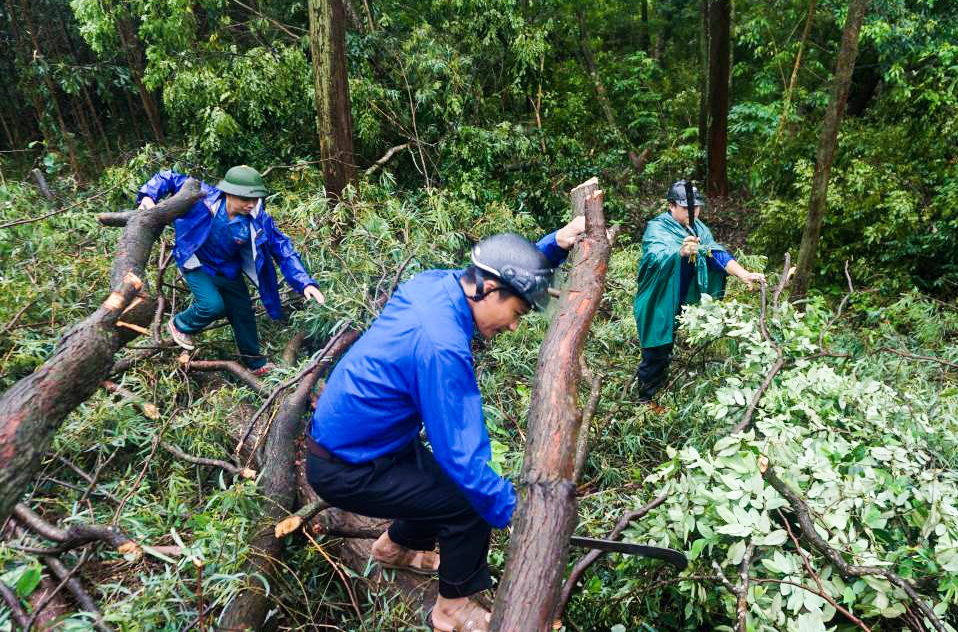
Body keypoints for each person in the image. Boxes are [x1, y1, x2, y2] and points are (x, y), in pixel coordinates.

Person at [305, 218, 585, 632]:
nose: (513, 325)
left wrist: (553, 245)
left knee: (433, 481)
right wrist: (514, 510)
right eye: (516, 313)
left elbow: (503, 267)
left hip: (370, 443)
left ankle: (396, 548)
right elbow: (463, 456)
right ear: (488, 291)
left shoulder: (436, 284)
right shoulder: (441, 347)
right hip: (348, 468)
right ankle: (452, 607)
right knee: (468, 502)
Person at [136, 165, 324, 375]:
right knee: (212, 306)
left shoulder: (258, 218)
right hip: (197, 263)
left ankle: (255, 363)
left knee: (243, 313)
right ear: (229, 193)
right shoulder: (203, 198)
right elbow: (168, 177)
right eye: (245, 199)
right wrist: (148, 196)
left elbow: (282, 248)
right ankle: (180, 324)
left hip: (228, 269)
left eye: (255, 199)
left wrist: (304, 282)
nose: (250, 204)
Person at [633, 180, 764, 409]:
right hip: (660, 299)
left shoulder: (700, 229)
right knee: (656, 349)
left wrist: (743, 274)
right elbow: (655, 255)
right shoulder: (657, 228)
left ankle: (660, 390)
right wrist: (681, 251)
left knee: (669, 345)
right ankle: (644, 402)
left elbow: (715, 253)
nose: (693, 212)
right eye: (686, 208)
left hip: (684, 297)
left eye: (696, 208)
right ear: (671, 206)